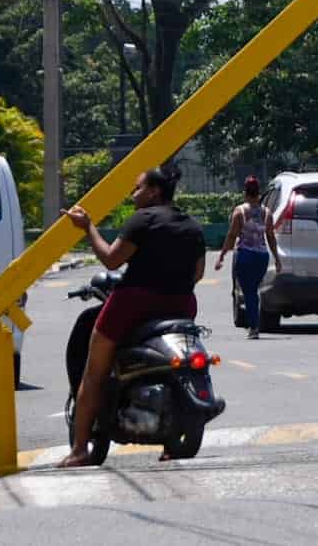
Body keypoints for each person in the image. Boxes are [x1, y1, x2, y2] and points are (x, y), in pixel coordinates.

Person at [59, 166, 206, 467]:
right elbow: (198, 273)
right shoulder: (192, 225)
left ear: (154, 191)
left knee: (94, 372)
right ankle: (169, 439)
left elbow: (112, 259)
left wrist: (88, 227)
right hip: (181, 305)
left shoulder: (143, 219)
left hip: (133, 303)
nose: (133, 194)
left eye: (137, 188)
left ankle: (79, 450)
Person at [214, 175, 279, 338]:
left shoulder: (240, 211)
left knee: (249, 291)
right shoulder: (267, 212)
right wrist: (277, 258)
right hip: (262, 257)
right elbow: (270, 237)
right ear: (259, 192)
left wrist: (222, 256)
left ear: (245, 192)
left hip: (245, 255)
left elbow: (231, 235)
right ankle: (254, 323)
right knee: (254, 289)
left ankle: (254, 326)